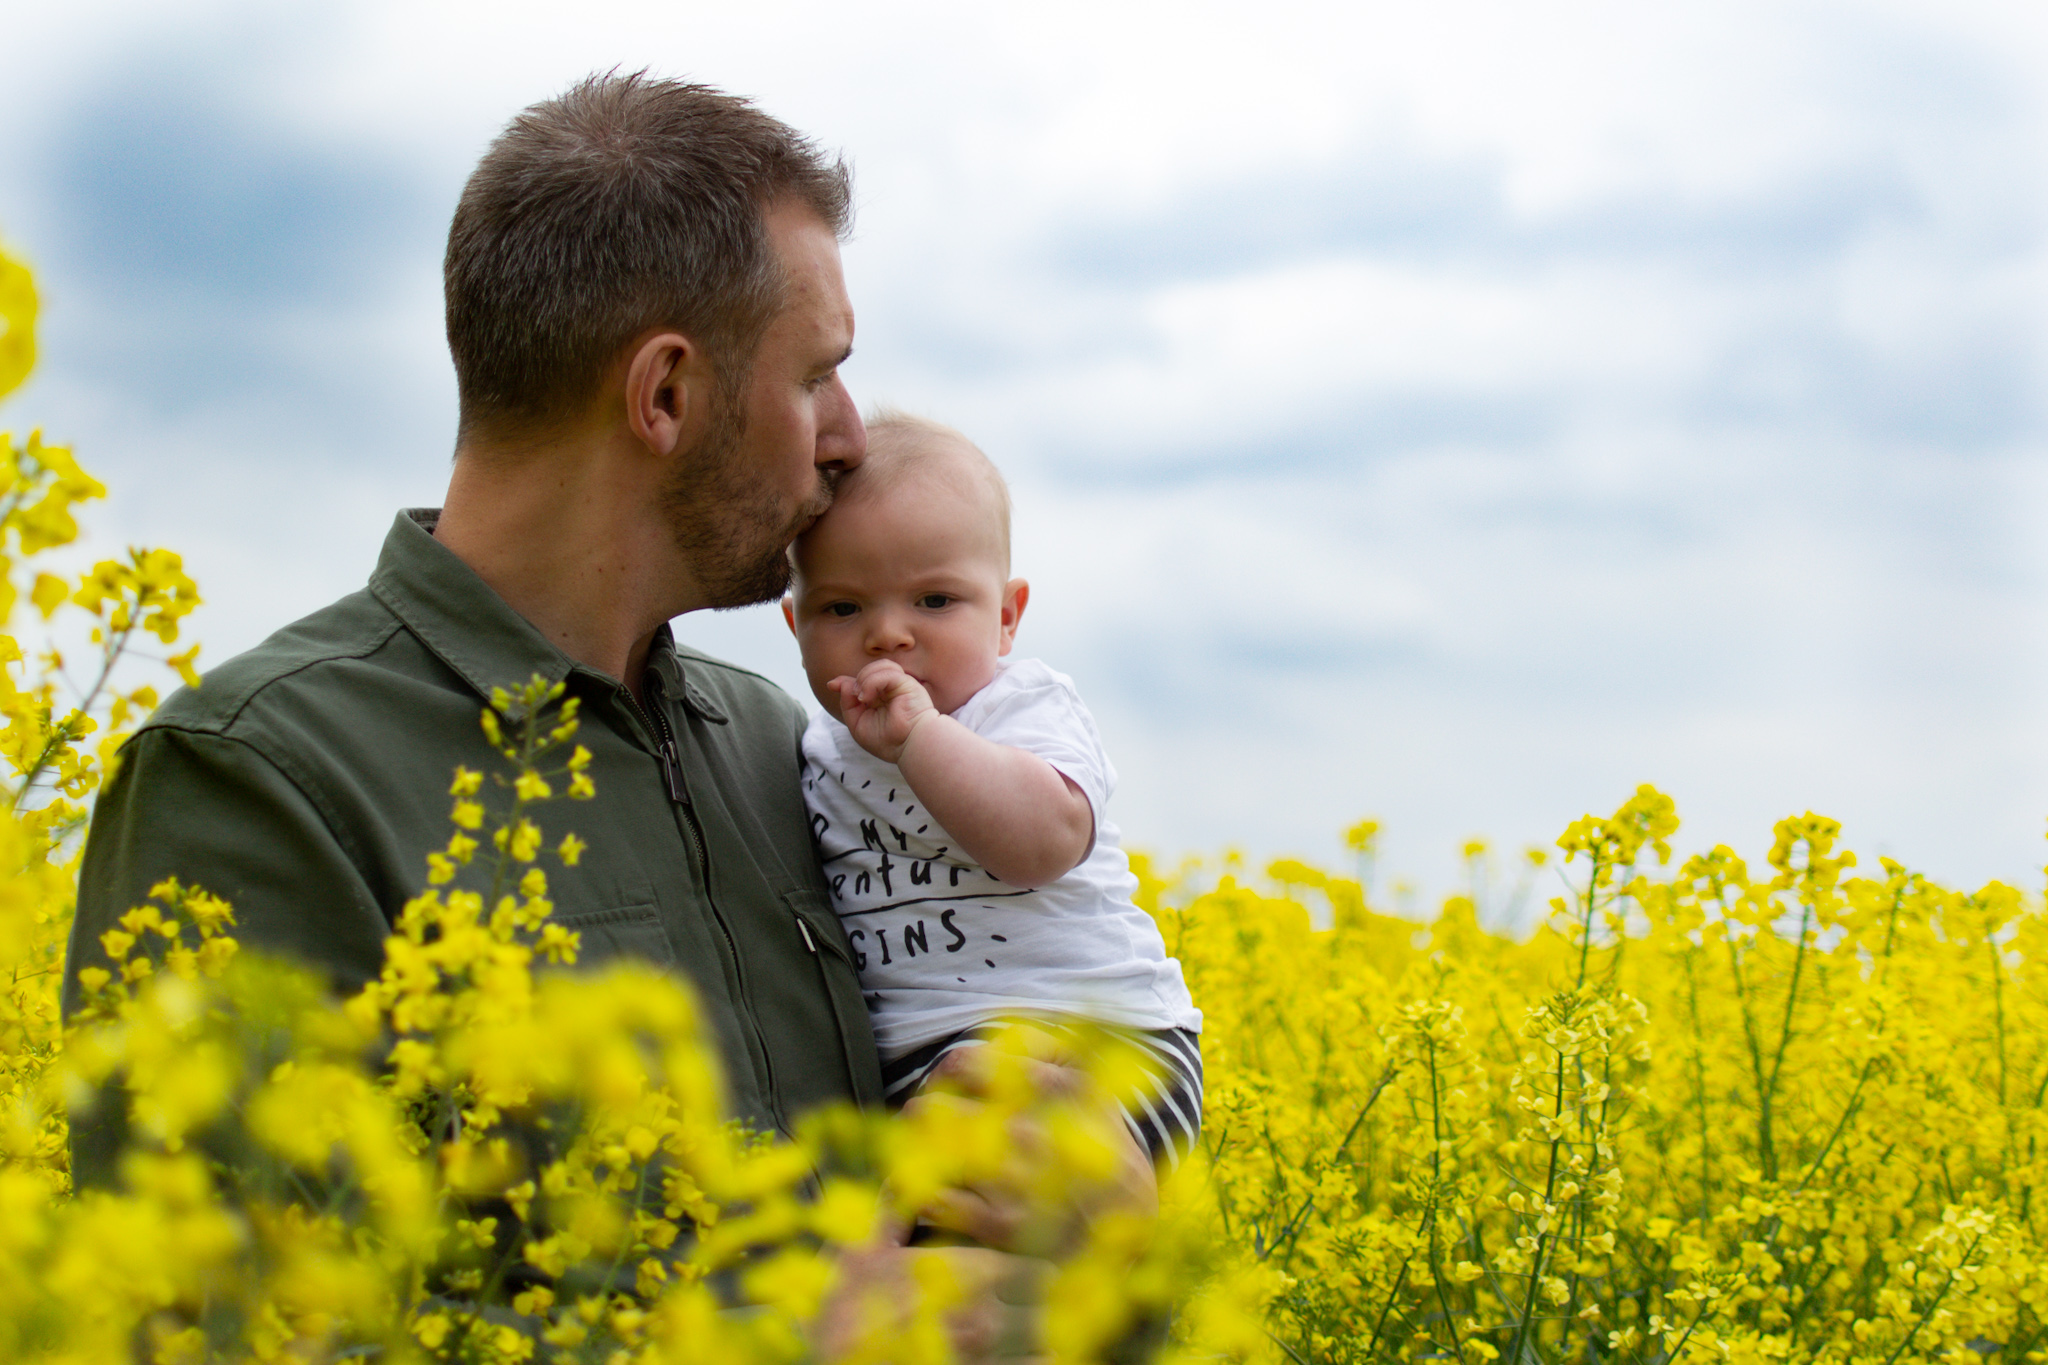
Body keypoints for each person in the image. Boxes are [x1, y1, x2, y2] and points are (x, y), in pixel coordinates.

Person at [61, 72, 1153, 1359]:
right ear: (666, 397)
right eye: (818, 378)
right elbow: (213, 1330)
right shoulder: (261, 780)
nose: (852, 439)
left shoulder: (787, 750)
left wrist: (1107, 1239)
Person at [783, 414, 1203, 1165]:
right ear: (795, 624)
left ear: (1007, 617)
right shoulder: (814, 749)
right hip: (917, 1066)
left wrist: (921, 738)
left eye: (935, 601)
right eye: (842, 608)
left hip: (1097, 1046)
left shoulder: (1023, 708)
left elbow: (1043, 843)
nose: (888, 634)